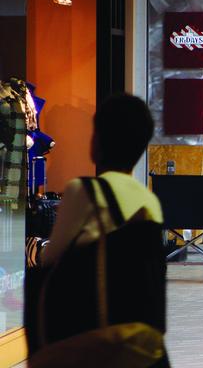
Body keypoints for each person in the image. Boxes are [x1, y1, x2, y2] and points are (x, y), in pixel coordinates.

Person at [39, 93, 168, 366]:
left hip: (93, 338)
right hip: (140, 345)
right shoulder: (150, 201)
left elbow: (51, 258)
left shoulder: (82, 191)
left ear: (97, 142)